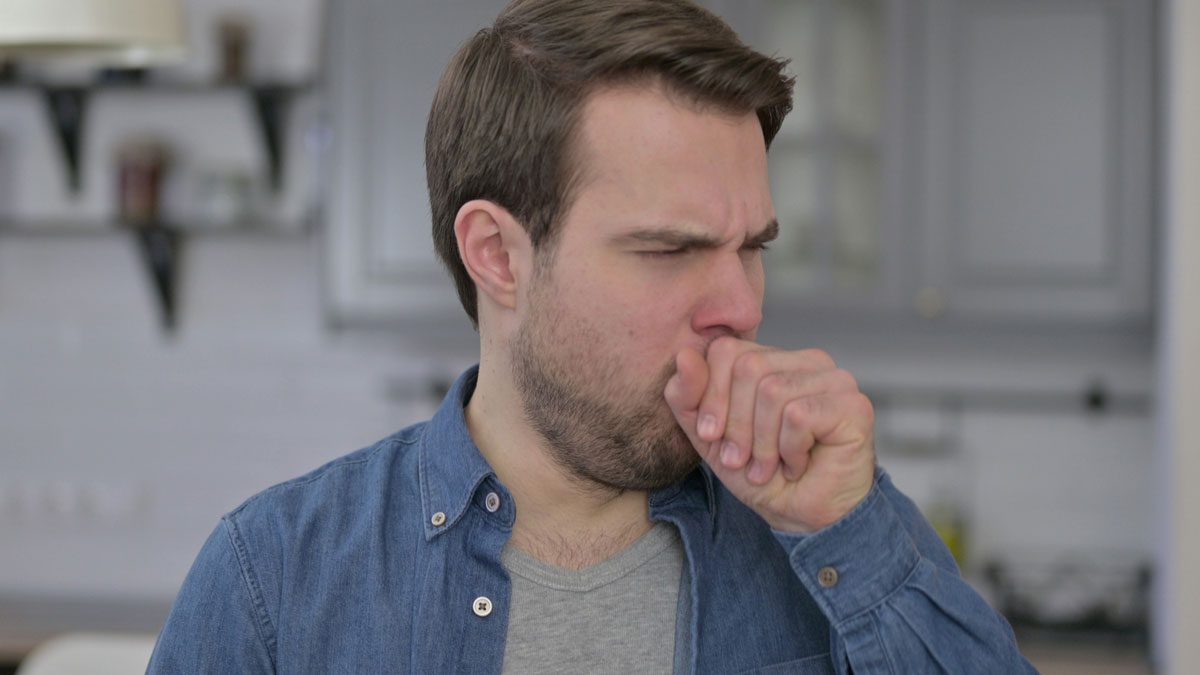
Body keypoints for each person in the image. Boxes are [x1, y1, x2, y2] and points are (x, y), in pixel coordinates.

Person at [148, 0, 1037, 672]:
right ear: (497, 254)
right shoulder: (274, 580)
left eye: (752, 249)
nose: (740, 304)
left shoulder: (833, 538)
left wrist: (851, 529)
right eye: (671, 248)